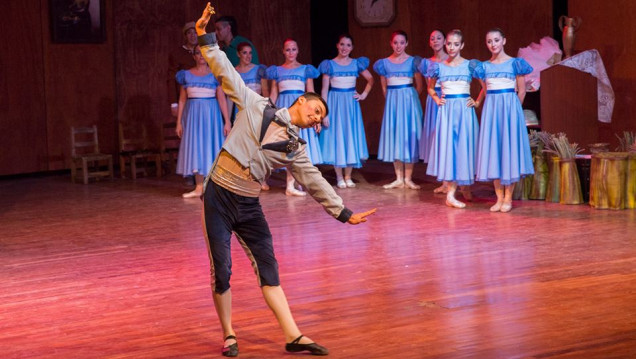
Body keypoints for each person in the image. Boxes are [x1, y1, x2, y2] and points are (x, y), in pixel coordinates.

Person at [194, 4, 376, 356]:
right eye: (317, 111)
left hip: (248, 203)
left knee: (268, 266)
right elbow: (225, 71)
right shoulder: (255, 104)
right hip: (219, 194)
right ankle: (229, 333)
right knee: (223, 269)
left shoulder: (295, 147)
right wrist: (206, 36)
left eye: (321, 118)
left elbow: (314, 182)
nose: (317, 118)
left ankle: (293, 335)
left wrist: (343, 212)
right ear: (304, 101)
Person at [474, 28, 534, 212]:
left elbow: (522, 90)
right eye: (489, 41)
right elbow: (485, 89)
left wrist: (514, 110)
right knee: (495, 150)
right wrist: (478, 102)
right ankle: (499, 197)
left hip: (510, 111)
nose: (493, 44)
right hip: (492, 111)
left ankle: (508, 197)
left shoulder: (515, 64)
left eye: (496, 40)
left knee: (509, 151)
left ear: (504, 41)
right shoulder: (483, 67)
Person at [425, 29, 485, 208]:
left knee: (464, 147)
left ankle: (465, 187)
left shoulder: (470, 65)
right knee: (451, 149)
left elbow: (485, 86)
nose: (452, 47)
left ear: (462, 45)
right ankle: (450, 194)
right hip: (447, 111)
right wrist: (437, 99)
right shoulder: (439, 66)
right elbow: (430, 88)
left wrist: (477, 101)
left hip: (464, 111)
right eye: (449, 43)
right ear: (445, 44)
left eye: (456, 44)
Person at [318, 34, 374, 189]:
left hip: (350, 105)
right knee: (338, 139)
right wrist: (325, 113)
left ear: (352, 48)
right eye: (342, 44)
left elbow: (370, 79)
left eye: (348, 45)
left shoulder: (356, 64)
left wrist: (363, 94)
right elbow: (324, 90)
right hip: (335, 105)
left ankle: (348, 176)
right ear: (337, 45)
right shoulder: (329, 65)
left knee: (350, 138)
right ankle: (339, 177)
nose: (344, 48)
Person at [268, 38, 322, 196]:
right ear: (283, 51)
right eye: (287, 49)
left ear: (298, 51)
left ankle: (297, 183)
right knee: (289, 147)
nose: (290, 52)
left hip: (302, 111)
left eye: (293, 49)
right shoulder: (277, 71)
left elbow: (311, 96)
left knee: (300, 148)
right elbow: (273, 94)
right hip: (286, 111)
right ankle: (290, 185)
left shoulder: (306, 70)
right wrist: (269, 113)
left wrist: (316, 116)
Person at [176, 45, 231, 198]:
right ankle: (199, 187)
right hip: (193, 116)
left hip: (211, 116)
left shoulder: (215, 75)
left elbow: (222, 99)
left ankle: (213, 187)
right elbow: (181, 100)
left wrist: (227, 120)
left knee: (211, 147)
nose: (201, 56)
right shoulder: (186, 75)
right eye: (198, 53)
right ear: (193, 56)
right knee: (196, 148)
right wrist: (179, 122)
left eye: (204, 53)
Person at [373, 30, 424, 190]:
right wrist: (392, 102)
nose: (398, 46)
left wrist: (410, 99)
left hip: (409, 102)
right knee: (395, 136)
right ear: (391, 43)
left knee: (408, 137)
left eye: (402, 42)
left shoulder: (413, 61)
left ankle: (408, 178)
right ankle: (398, 178)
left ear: (406, 43)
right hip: (393, 103)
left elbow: (419, 86)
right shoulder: (384, 63)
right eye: (395, 42)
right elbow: (384, 87)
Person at [235, 42, 271, 190]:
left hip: (257, 110)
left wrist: (267, 110)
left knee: (259, 146)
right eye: (244, 53)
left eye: (250, 53)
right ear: (238, 54)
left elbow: (265, 91)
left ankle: (261, 178)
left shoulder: (259, 70)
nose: (248, 56)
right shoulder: (235, 71)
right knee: (244, 146)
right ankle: (246, 178)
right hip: (241, 111)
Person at [418, 30, 449, 194]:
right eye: (432, 38)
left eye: (439, 38)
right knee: (435, 138)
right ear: (429, 43)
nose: (435, 41)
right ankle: (442, 180)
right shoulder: (426, 63)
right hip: (433, 101)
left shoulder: (450, 60)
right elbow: (428, 86)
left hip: (446, 99)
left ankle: (448, 180)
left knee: (446, 138)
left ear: (445, 41)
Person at [168, 21, 198, 117]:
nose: (193, 36)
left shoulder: (206, 53)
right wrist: (174, 103)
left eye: (195, 32)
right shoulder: (177, 54)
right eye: (189, 33)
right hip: (185, 98)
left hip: (204, 98)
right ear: (185, 36)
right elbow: (171, 78)